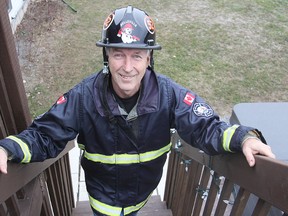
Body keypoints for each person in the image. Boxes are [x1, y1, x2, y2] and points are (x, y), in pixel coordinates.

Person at [0, 5, 275, 216]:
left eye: (137, 56)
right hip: (102, 205)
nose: (127, 67)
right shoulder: (82, 98)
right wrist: (8, 149)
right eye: (118, 54)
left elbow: (206, 126)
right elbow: (46, 135)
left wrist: (243, 138)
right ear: (106, 56)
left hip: (140, 199)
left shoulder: (170, 95)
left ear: (149, 59)